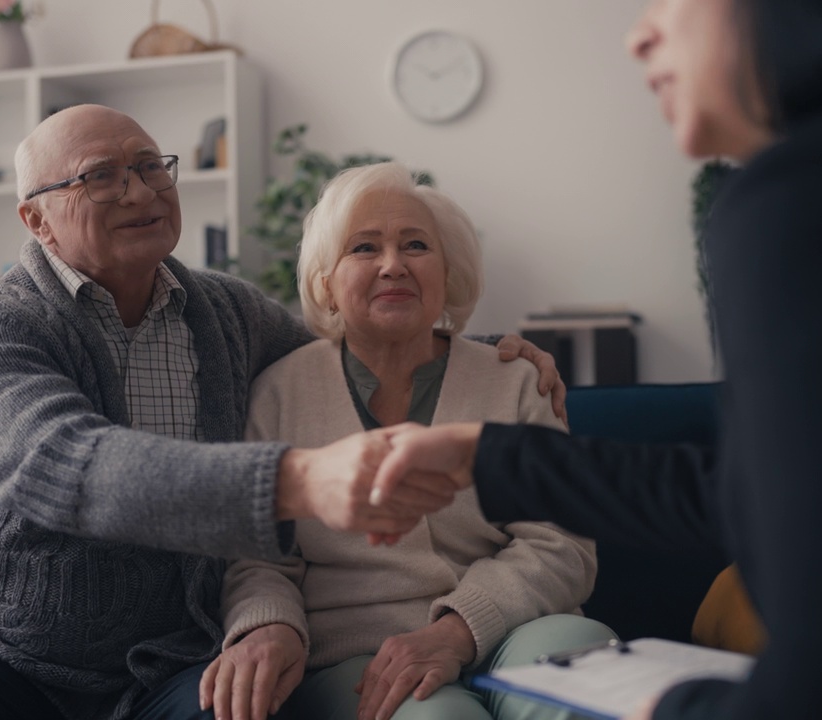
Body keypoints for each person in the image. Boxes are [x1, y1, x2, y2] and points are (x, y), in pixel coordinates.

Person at [371, 1, 822, 719]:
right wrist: (486, 458)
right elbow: (777, 494)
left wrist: (674, 706)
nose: (638, 34)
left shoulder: (815, 197)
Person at [0, 104, 564, 720]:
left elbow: (358, 344)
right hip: (4, 658)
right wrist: (299, 480)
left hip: (181, 658)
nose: (141, 190)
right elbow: (62, 465)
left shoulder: (227, 312)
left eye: (152, 166)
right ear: (36, 219)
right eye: (102, 176)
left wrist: (479, 350)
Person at [199, 162, 613, 720]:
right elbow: (258, 560)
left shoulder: (515, 379)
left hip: (520, 626)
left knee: (586, 693)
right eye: (364, 249)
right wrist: (270, 624)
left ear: (449, 272)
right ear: (326, 280)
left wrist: (459, 629)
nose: (393, 266)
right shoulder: (278, 392)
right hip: (361, 653)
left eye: (415, 245)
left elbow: (561, 541)